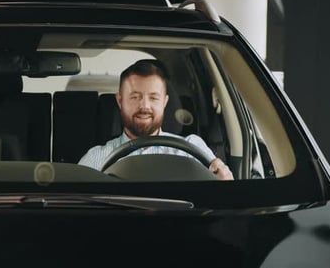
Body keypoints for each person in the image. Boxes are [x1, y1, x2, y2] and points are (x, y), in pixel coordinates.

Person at [78, 59, 233, 180]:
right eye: (135, 97)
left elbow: (221, 196)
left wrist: (224, 179)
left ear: (164, 102)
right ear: (120, 101)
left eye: (153, 98)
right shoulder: (96, 158)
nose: (144, 106)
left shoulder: (191, 149)